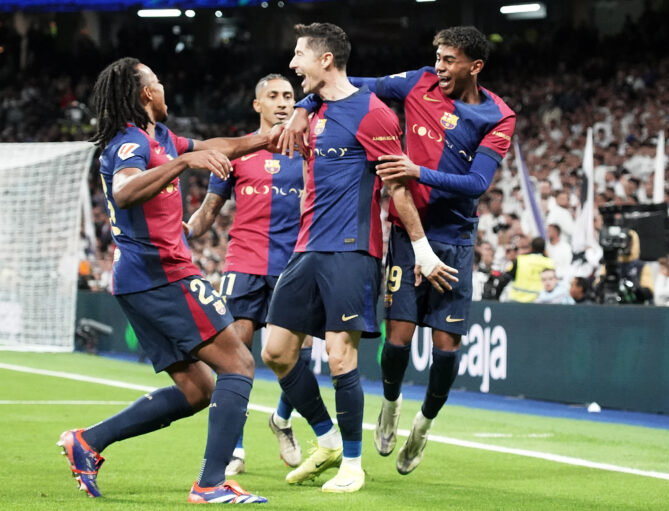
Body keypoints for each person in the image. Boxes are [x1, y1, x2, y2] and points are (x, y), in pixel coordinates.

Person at [281, 25, 515, 475]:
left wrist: (416, 170)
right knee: (399, 339)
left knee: (446, 348)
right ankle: (390, 405)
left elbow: (478, 183)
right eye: (439, 57)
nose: (441, 67)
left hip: (456, 239)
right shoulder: (418, 81)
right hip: (409, 236)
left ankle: (424, 426)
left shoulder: (498, 115)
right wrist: (305, 106)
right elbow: (351, 86)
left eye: (450, 60)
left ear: (475, 66)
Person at [57, 57, 279, 504]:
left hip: (145, 278)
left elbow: (215, 145)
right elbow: (124, 191)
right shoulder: (128, 144)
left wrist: (263, 138)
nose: (163, 88)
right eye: (156, 83)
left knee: (198, 389)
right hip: (160, 275)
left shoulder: (161, 138)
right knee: (238, 364)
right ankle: (211, 483)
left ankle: (88, 442)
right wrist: (183, 164)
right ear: (144, 95)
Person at [262, 22, 454, 493]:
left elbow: (397, 187)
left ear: (325, 59)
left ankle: (352, 463)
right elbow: (310, 104)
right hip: (306, 247)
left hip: (353, 250)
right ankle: (326, 438)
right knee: (276, 352)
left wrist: (422, 249)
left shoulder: (373, 114)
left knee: (340, 354)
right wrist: (304, 108)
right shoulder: (314, 109)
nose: (292, 64)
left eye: (299, 54)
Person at [184, 73, 310, 476]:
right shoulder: (236, 153)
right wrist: (182, 230)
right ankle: (235, 447)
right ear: (257, 104)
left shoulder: (309, 151)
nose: (283, 103)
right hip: (244, 264)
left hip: (293, 265)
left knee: (297, 358)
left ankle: (282, 420)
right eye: (273, 96)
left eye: (289, 96)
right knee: (236, 356)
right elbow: (209, 210)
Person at [503, 237, 555, 303]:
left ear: (531, 247)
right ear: (544, 249)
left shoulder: (520, 260)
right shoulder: (550, 263)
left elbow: (505, 278)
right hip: (540, 301)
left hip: (517, 300)